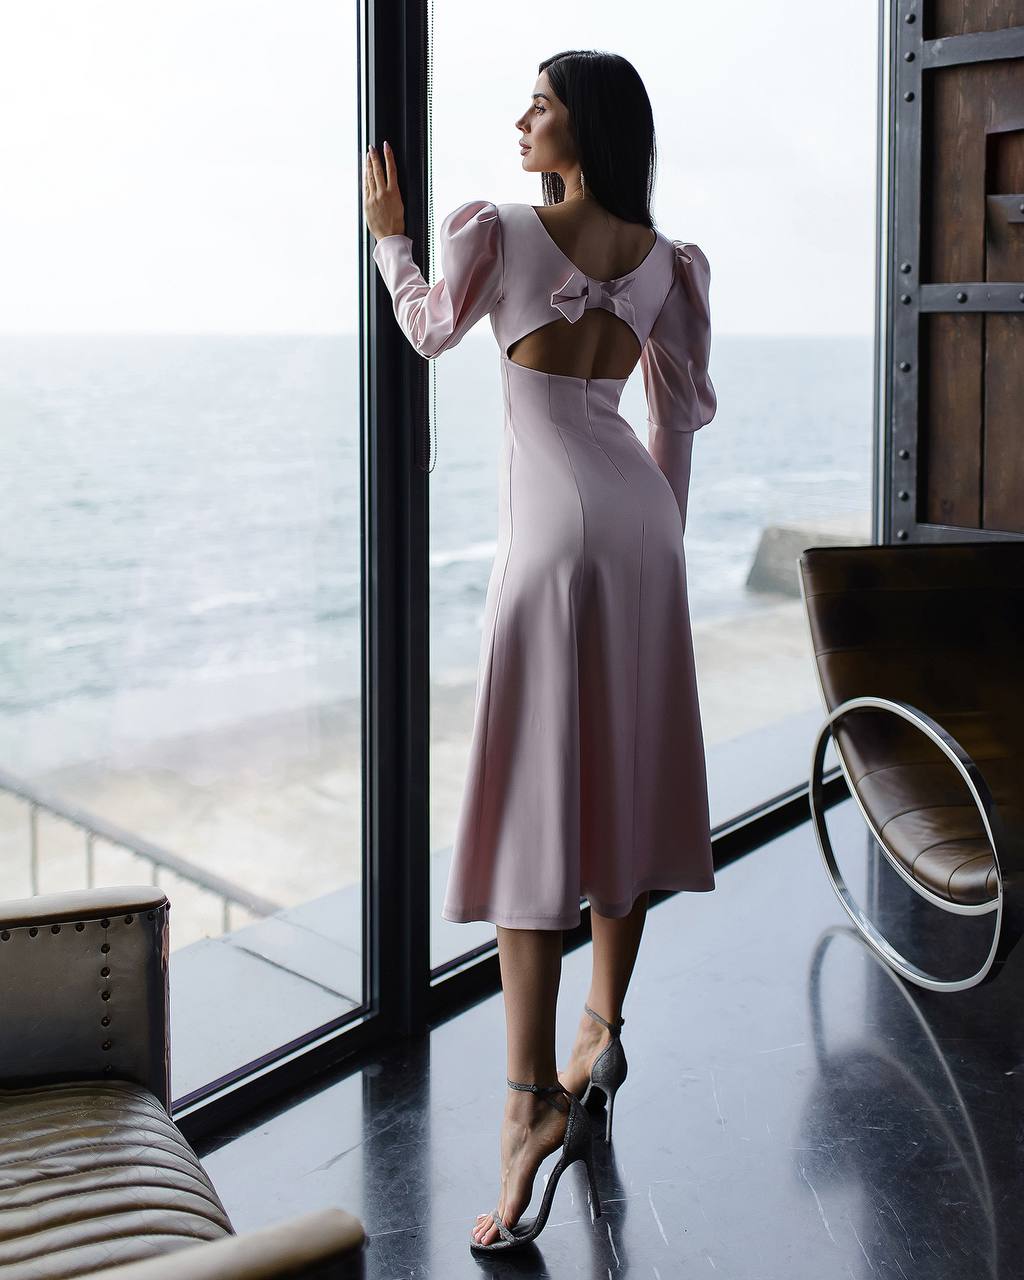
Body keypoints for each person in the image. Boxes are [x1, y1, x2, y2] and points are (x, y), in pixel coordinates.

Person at [363, 48, 718, 1252]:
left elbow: (425, 332)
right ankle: (601, 1026)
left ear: (585, 131)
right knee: (621, 784)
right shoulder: (668, 263)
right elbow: (675, 417)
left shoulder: (501, 233)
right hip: (639, 532)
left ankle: (527, 1108)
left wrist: (388, 242)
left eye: (542, 107)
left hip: (551, 546)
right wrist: (658, 537)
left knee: (530, 814)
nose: (520, 121)